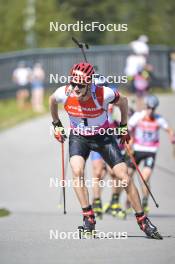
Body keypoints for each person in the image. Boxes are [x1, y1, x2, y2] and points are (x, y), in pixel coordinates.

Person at [49, 62, 162, 239]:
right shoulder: (64, 92)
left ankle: (142, 220)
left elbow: (123, 101)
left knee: (124, 177)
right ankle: (88, 217)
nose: (76, 88)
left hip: (103, 136)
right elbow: (52, 100)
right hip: (79, 137)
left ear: (89, 83)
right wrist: (56, 124)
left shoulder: (103, 93)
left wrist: (123, 126)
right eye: (73, 83)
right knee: (77, 170)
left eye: (81, 84)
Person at [128, 95, 175, 213]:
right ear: (146, 106)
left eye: (153, 109)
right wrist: (129, 142)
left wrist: (172, 140)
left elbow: (169, 130)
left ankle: (144, 200)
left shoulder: (159, 119)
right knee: (128, 175)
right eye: (149, 107)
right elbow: (127, 128)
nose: (150, 110)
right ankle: (130, 200)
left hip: (150, 151)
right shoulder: (138, 116)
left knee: (145, 177)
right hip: (136, 150)